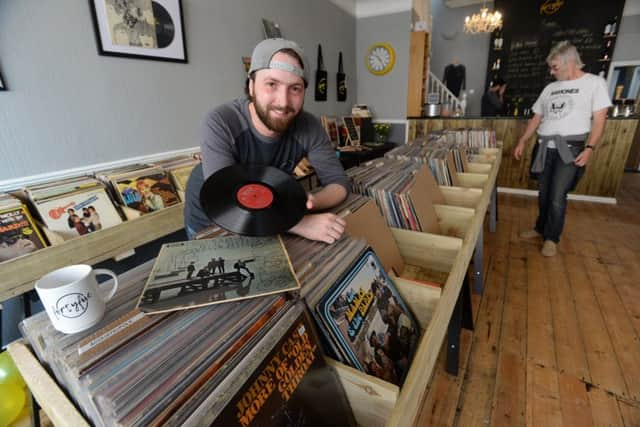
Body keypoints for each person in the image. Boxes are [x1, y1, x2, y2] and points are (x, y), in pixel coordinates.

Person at [184, 38, 348, 243]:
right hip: (212, 222)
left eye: (295, 88)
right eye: (271, 84)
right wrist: (299, 223)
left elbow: (338, 183)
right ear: (251, 86)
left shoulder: (309, 126)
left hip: (269, 217)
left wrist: (311, 202)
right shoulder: (220, 121)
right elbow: (228, 203)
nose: (283, 102)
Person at [513, 41, 611, 257]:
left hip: (570, 149)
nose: (551, 71)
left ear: (570, 63)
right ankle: (540, 229)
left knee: (557, 195)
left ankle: (551, 238)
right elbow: (536, 117)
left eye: (555, 67)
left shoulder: (595, 83)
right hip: (544, 147)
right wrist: (522, 141)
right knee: (543, 193)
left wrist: (590, 148)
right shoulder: (550, 88)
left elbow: (599, 120)